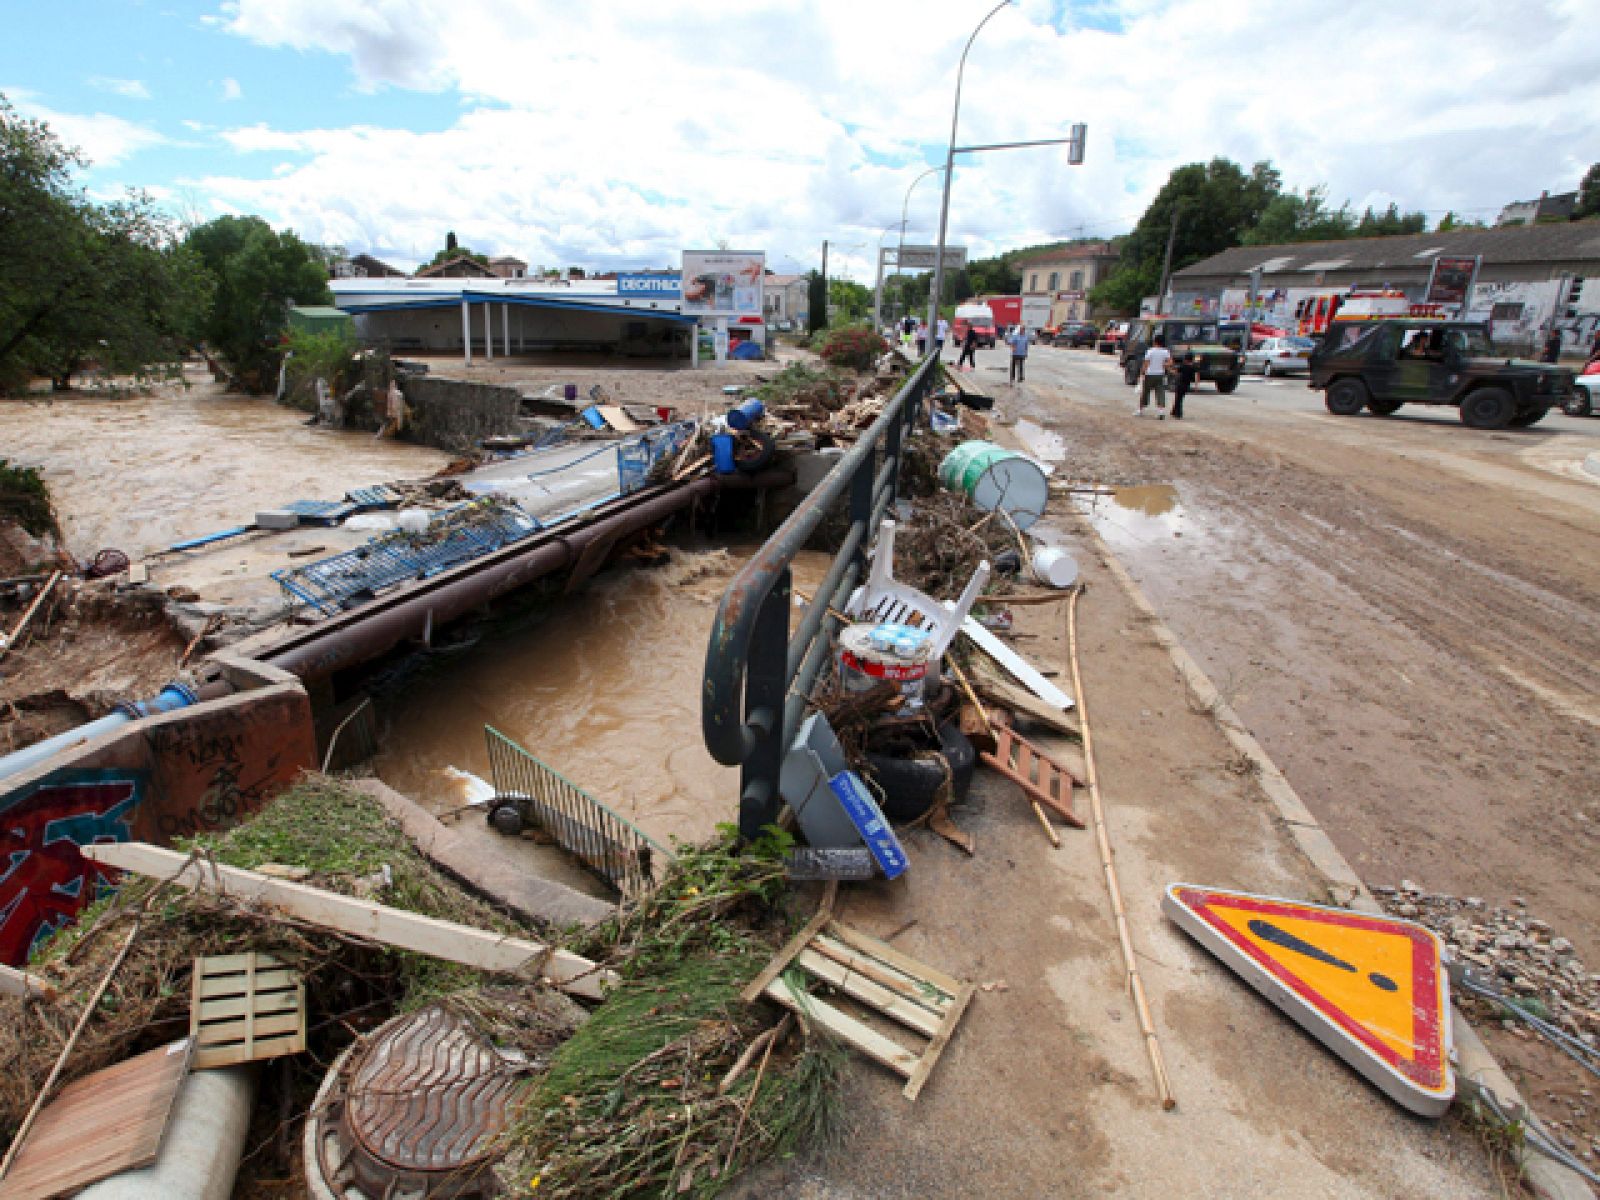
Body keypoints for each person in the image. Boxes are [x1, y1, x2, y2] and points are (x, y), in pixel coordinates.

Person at [1138, 335, 1171, 417]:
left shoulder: (1150, 351)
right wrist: (1164, 364)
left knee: (1145, 392)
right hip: (1160, 374)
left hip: (1150, 374)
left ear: (1155, 341)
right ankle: (1161, 411)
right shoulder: (1165, 351)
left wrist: (1142, 373)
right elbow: (1170, 362)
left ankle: (1140, 410)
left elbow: (1146, 363)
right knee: (1160, 392)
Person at [1172, 351, 1199, 420]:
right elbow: (1196, 376)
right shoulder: (1193, 367)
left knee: (1178, 399)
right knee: (1180, 398)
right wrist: (1196, 386)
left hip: (1180, 384)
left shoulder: (1183, 366)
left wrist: (1169, 369)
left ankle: (1178, 413)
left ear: (1185, 359)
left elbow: (1175, 372)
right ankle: (1174, 411)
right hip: (1187, 385)